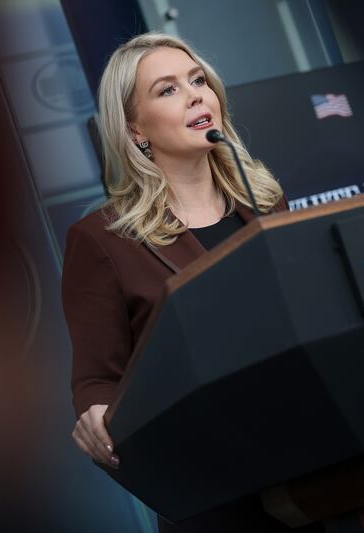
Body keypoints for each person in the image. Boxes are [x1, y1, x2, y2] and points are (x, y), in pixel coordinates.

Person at [61, 33, 321, 532]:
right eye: (168, 90)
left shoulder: (264, 204)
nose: (196, 94)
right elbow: (97, 378)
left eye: (198, 80)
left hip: (311, 469)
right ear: (136, 129)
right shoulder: (102, 240)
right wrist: (98, 414)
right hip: (217, 495)